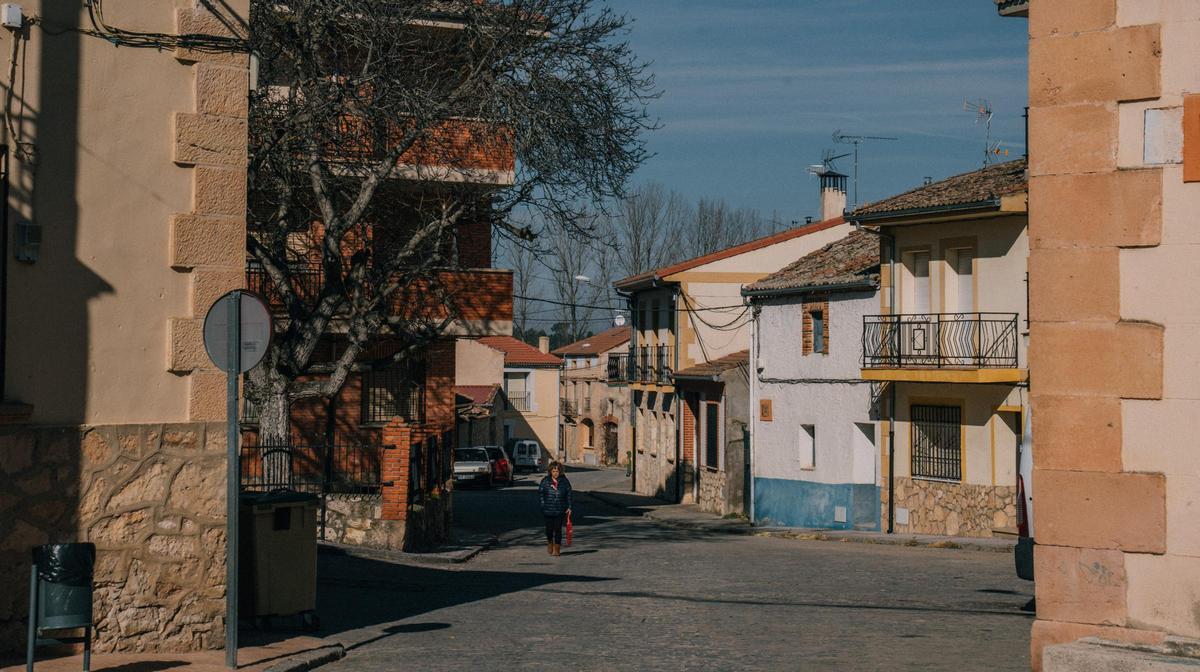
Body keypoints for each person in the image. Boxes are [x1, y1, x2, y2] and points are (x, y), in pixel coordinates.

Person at [538, 461, 572, 556]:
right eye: (553, 471)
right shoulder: (545, 481)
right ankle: (550, 542)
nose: (555, 473)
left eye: (557, 471)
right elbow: (541, 493)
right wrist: (543, 504)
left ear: (560, 472)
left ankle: (557, 548)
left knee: (557, 529)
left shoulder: (565, 482)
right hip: (548, 510)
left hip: (560, 509)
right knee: (549, 530)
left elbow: (569, 494)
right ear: (550, 472)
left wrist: (569, 506)